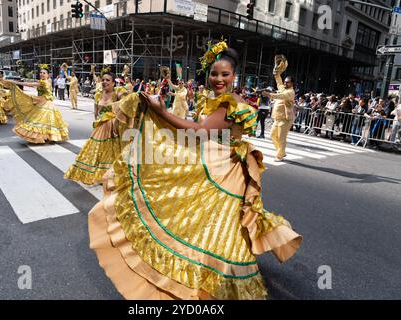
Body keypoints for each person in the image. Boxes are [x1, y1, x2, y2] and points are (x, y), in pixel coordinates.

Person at [87, 41, 302, 300]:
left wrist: (161, 111)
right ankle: (208, 278)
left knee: (211, 223)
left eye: (225, 74)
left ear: (235, 76)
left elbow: (199, 132)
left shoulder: (229, 104)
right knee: (210, 223)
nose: (218, 79)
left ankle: (211, 280)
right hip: (219, 163)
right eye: (214, 73)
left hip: (224, 169)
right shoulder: (217, 100)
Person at [64, 69, 131, 185]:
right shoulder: (98, 94)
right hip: (100, 127)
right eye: (103, 80)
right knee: (96, 150)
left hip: (113, 127)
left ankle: (112, 175)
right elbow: (96, 112)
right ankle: (102, 175)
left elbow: (126, 103)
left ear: (113, 83)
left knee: (111, 152)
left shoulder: (117, 92)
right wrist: (96, 126)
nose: (105, 82)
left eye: (108, 80)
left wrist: (125, 95)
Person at [2, 65, 69, 144]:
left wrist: (15, 82)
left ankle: (45, 137)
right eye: (40, 72)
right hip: (44, 102)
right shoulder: (49, 81)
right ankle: (48, 137)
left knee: (39, 120)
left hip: (45, 103)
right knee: (46, 122)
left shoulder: (43, 82)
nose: (41, 74)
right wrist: (63, 70)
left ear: (48, 75)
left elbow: (30, 85)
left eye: (44, 73)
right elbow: (35, 85)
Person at [262, 57, 295, 162]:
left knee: (281, 138)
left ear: (292, 83)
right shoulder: (284, 88)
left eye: (288, 82)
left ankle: (280, 155)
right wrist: (276, 73)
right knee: (272, 135)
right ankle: (281, 151)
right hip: (277, 118)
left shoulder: (290, 92)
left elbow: (280, 96)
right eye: (285, 82)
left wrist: (268, 94)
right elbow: (279, 82)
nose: (285, 84)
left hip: (285, 119)